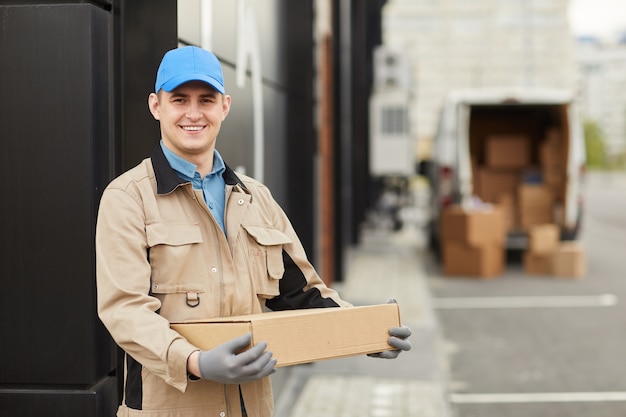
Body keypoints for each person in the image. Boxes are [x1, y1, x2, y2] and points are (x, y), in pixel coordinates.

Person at [96, 45, 411, 417]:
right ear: (156, 106)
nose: (193, 113)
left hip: (250, 407)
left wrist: (365, 333)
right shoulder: (128, 198)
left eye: (206, 100)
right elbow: (125, 311)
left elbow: (303, 293)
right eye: (179, 99)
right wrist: (194, 361)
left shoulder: (255, 198)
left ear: (224, 106)